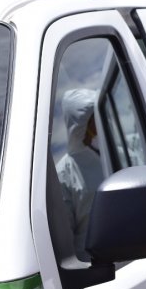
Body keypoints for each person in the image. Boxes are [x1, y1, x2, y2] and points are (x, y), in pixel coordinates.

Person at [55, 88, 105, 261]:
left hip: (137, 256)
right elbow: (64, 236)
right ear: (80, 122)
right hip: (95, 267)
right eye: (94, 117)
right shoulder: (63, 173)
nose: (100, 121)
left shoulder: (119, 150)